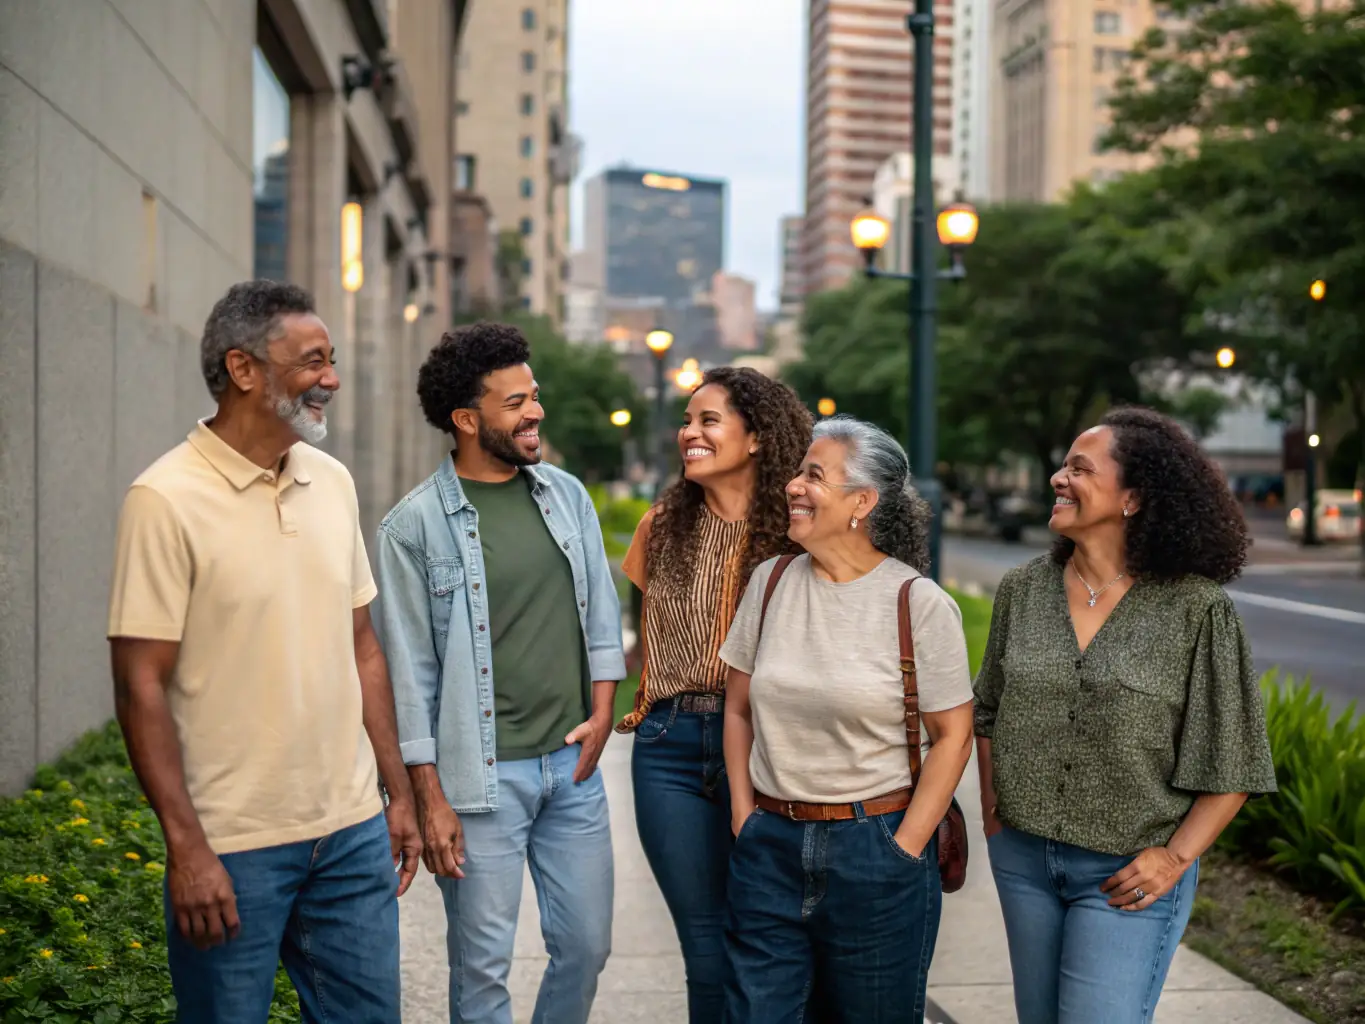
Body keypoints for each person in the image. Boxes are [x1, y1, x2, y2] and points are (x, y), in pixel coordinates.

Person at [106, 280, 421, 1023]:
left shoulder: (332, 481)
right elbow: (138, 687)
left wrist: (396, 794)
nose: (331, 379)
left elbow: (361, 647)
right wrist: (187, 850)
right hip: (234, 847)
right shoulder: (163, 499)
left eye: (332, 360)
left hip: (349, 836)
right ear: (244, 370)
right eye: (312, 361)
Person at [973, 405, 1278, 1024]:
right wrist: (994, 815)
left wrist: (1174, 858)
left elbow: (1236, 757)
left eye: (1080, 469)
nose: (1060, 477)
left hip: (1126, 873)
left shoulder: (1196, 609)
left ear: (1133, 498)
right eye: (1062, 466)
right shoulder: (1022, 590)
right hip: (1024, 861)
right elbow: (988, 713)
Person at [373, 321, 626, 1024]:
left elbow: (601, 616)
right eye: (514, 402)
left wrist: (602, 712)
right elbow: (409, 673)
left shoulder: (565, 495)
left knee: (586, 944)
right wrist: (429, 799)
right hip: (478, 781)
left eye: (533, 395)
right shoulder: (412, 527)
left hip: (569, 769)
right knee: (482, 970)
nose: (534, 411)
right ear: (466, 419)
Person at [721, 416, 976, 1024]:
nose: (793, 486)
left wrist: (907, 847)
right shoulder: (771, 581)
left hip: (875, 848)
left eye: (814, 475)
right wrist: (742, 817)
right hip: (769, 847)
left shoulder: (917, 605)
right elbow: (737, 708)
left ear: (863, 501)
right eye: (798, 473)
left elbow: (953, 737)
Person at [616, 367, 814, 1022]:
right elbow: (642, 633)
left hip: (768, 749)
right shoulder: (660, 526)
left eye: (708, 420)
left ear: (756, 437)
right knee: (704, 947)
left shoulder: (799, 532)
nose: (689, 433)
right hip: (668, 748)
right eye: (687, 419)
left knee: (766, 936)